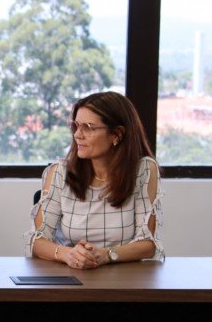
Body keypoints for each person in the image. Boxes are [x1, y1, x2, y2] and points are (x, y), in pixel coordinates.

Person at [26, 91, 163, 269]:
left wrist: (106, 254)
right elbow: (37, 240)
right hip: (71, 274)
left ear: (117, 134)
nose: (77, 135)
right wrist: (68, 254)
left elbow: (147, 244)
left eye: (88, 127)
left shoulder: (143, 171)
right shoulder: (59, 172)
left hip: (125, 279)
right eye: (76, 126)